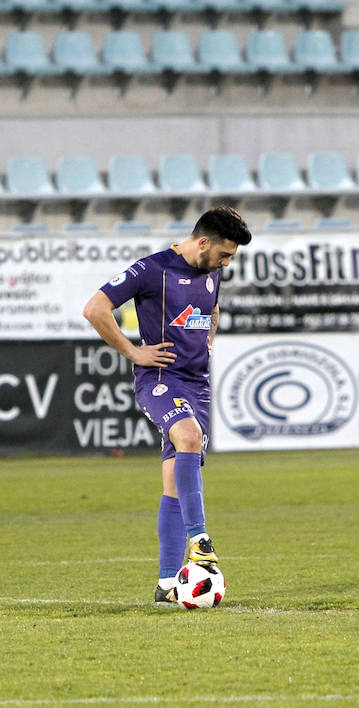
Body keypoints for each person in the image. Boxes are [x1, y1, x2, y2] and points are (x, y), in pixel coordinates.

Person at [83, 206, 252, 604]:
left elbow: (211, 310)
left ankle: (166, 584)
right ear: (204, 241)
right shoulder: (152, 270)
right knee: (188, 437)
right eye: (225, 255)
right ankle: (200, 540)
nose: (227, 263)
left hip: (198, 384)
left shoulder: (213, 270)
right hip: (159, 379)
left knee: (175, 481)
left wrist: (208, 336)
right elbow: (95, 308)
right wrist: (133, 352)